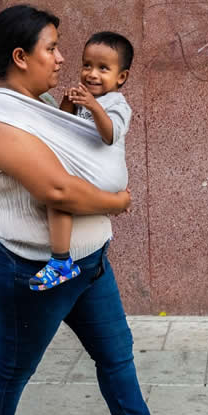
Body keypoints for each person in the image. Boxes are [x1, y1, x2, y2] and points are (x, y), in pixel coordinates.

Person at [0, 4, 208, 415]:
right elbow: (57, 190)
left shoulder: (44, 106)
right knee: (14, 365)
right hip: (33, 271)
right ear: (21, 56)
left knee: (116, 355)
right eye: (52, 48)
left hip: (90, 264)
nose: (62, 59)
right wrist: (118, 201)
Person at [29, 32, 135, 292]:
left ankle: (60, 261)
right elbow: (63, 130)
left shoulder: (117, 103)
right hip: (89, 171)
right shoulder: (84, 99)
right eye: (87, 65)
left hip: (106, 173)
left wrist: (94, 106)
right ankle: (61, 259)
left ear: (121, 77)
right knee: (58, 196)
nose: (92, 74)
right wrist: (68, 104)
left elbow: (110, 135)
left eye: (103, 68)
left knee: (59, 195)